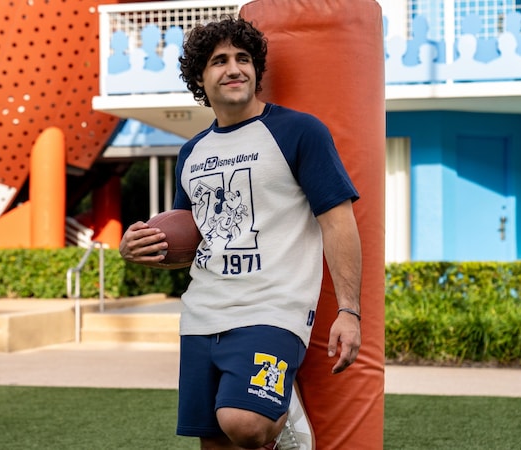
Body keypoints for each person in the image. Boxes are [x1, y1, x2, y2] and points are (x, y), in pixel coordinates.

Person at [119, 16, 362, 450]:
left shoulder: (298, 131)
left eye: (243, 58)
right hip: (202, 315)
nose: (234, 68)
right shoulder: (192, 152)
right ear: (200, 77)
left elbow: (337, 219)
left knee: (246, 424)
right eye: (219, 61)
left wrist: (350, 310)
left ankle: (287, 419)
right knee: (216, 443)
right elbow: (189, 243)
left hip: (273, 310)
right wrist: (141, 248)